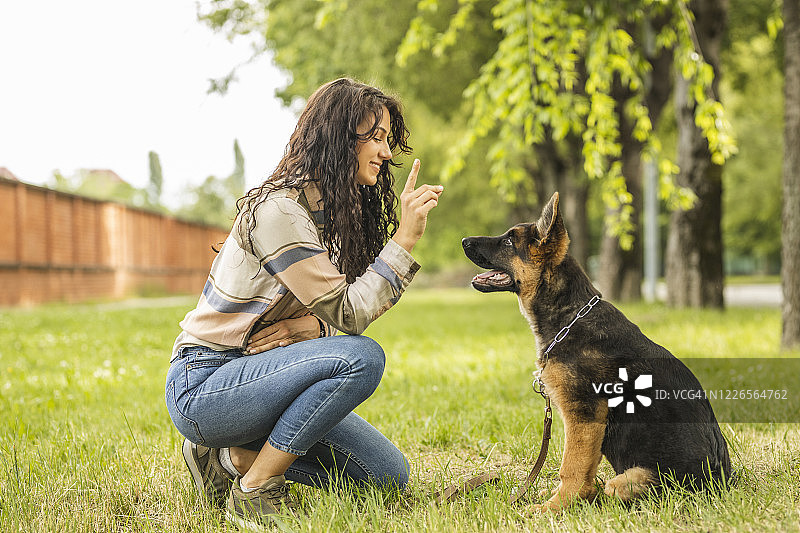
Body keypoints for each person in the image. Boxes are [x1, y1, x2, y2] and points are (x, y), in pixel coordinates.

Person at [164, 78, 443, 529]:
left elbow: (335, 314)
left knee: (387, 477)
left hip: (272, 379)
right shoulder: (281, 212)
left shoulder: (333, 213)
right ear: (338, 137)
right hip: (206, 383)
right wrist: (405, 238)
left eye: (388, 140)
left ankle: (234, 458)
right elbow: (352, 315)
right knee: (363, 359)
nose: (387, 153)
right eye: (376, 138)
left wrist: (311, 330)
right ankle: (255, 488)